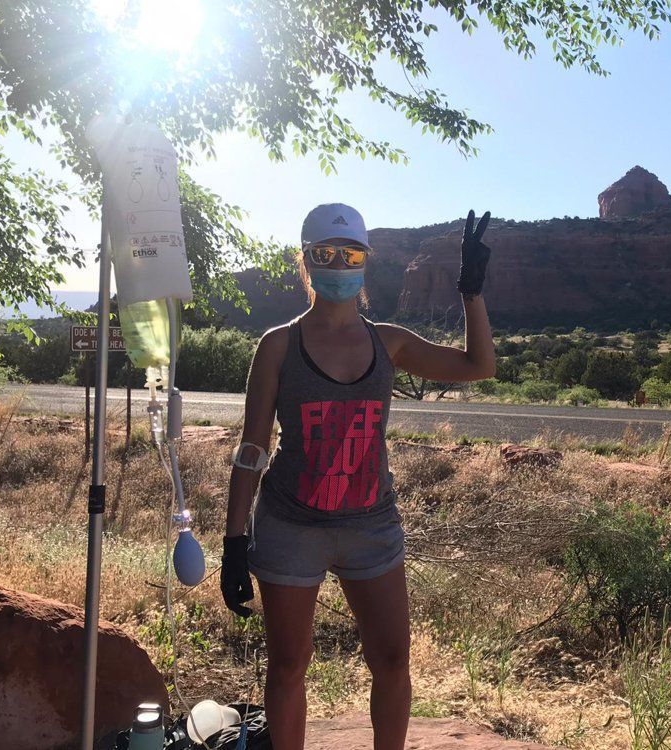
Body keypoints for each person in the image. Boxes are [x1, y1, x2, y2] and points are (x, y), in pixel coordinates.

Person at [220, 203, 495, 750]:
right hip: (290, 525)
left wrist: (471, 292)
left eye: (350, 254)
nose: (339, 265)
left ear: (365, 262)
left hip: (372, 525)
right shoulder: (278, 345)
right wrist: (233, 539)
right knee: (289, 665)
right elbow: (254, 446)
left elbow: (477, 366)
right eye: (326, 254)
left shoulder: (388, 342)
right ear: (306, 262)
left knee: (393, 659)